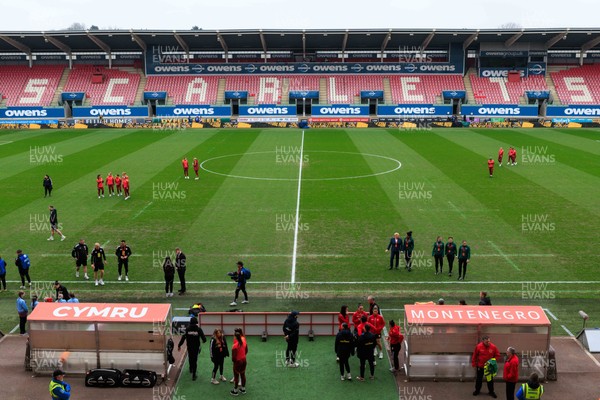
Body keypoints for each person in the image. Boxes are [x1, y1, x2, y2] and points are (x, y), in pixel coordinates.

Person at [178, 316, 206, 381]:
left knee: (190, 358)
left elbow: (183, 338)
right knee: (195, 360)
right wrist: (202, 341)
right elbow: (204, 339)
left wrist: (179, 345)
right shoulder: (199, 329)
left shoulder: (187, 329)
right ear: (196, 322)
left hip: (189, 347)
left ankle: (191, 369)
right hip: (196, 348)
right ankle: (194, 375)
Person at [230, 328, 248, 396]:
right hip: (244, 360)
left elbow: (233, 357)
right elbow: (246, 350)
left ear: (235, 337)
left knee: (236, 376)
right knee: (243, 375)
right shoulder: (244, 340)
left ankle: (235, 391)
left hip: (238, 362)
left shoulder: (234, 346)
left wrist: (235, 362)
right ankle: (243, 389)